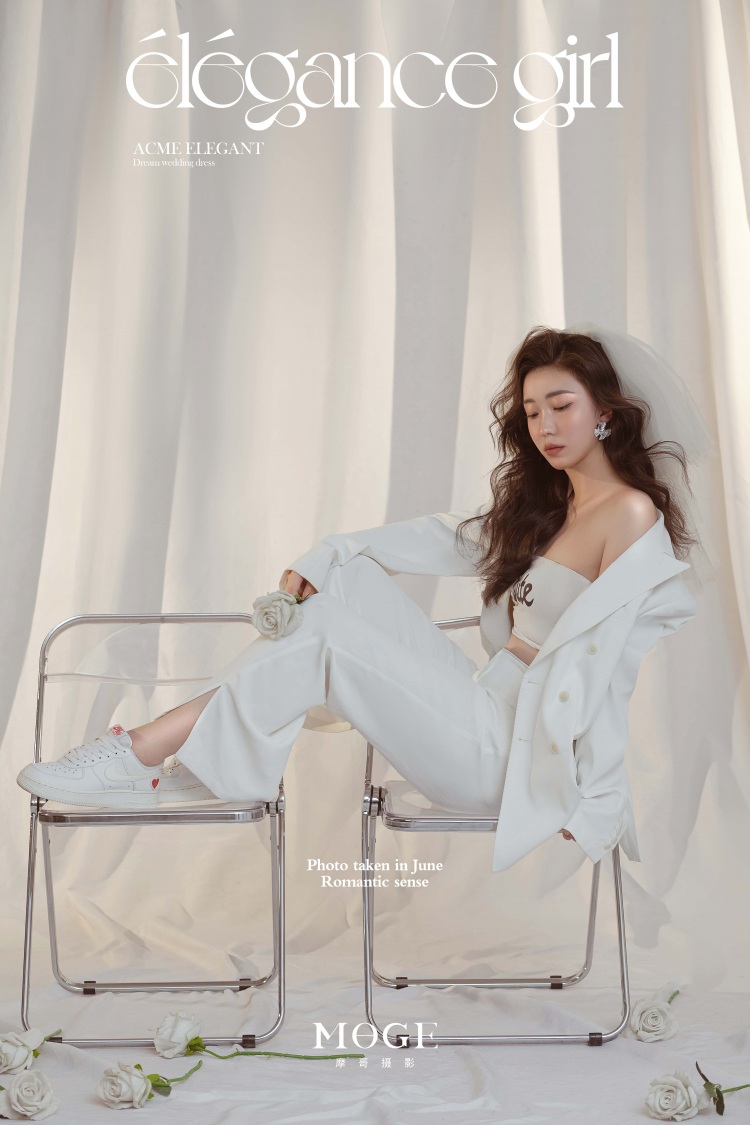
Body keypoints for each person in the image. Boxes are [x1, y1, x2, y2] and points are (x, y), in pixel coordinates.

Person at [16, 325, 715, 872]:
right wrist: (328, 553)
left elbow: (610, 666)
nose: (545, 427)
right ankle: (182, 756)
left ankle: (142, 750)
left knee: (324, 631)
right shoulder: (551, 507)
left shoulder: (628, 514)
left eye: (562, 406)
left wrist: (597, 796)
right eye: (532, 412)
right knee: (342, 584)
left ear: (605, 413)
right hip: (480, 705)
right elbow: (443, 536)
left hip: (508, 756)